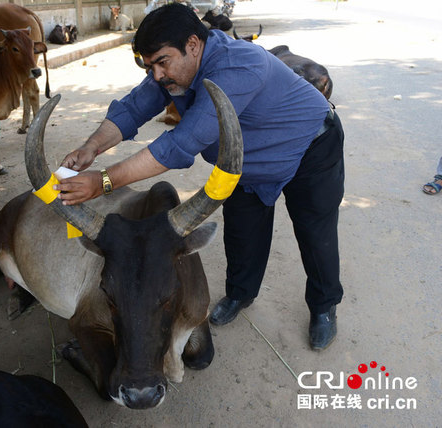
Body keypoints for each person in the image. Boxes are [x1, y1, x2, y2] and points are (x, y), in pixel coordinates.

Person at [54, 3, 345, 351]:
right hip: (245, 161)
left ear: (193, 45)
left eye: (162, 62)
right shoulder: (174, 71)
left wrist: (101, 181)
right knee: (242, 233)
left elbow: (181, 144)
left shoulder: (239, 66)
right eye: (150, 66)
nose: (158, 75)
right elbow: (133, 108)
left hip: (309, 148)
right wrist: (91, 148)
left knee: (316, 234)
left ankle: (324, 306)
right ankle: (240, 295)